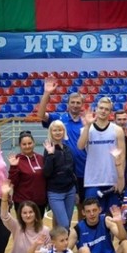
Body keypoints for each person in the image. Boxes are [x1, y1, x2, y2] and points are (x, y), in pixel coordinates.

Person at [37, 78, 87, 219]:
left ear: (82, 105)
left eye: (78, 103)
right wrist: (47, 93)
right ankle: (59, 234)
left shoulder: (86, 122)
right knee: (58, 215)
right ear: (68, 104)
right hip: (61, 172)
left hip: (82, 170)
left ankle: (79, 233)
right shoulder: (59, 119)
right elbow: (40, 115)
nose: (75, 105)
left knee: (82, 207)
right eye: (73, 102)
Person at [77, 96, 126, 213]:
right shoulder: (86, 129)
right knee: (93, 216)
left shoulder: (117, 130)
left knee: (112, 216)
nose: (103, 111)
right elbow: (80, 146)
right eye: (101, 108)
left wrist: (120, 180)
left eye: (107, 109)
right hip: (92, 180)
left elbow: (122, 156)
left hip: (112, 180)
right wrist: (88, 125)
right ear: (96, 109)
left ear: (110, 112)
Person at [42, 120, 77, 230]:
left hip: (70, 191)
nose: (57, 132)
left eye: (60, 130)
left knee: (67, 224)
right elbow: (46, 172)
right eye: (55, 130)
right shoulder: (48, 149)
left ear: (64, 131)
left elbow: (72, 171)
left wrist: (76, 191)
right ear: (51, 132)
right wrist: (51, 155)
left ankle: (61, 242)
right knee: (64, 224)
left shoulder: (67, 149)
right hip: (55, 193)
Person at [8, 131, 46, 215]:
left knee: (38, 223)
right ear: (20, 145)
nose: (27, 146)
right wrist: (13, 167)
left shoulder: (41, 158)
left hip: (40, 202)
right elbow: (12, 182)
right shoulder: (16, 160)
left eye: (29, 143)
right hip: (23, 202)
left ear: (34, 143)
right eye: (24, 144)